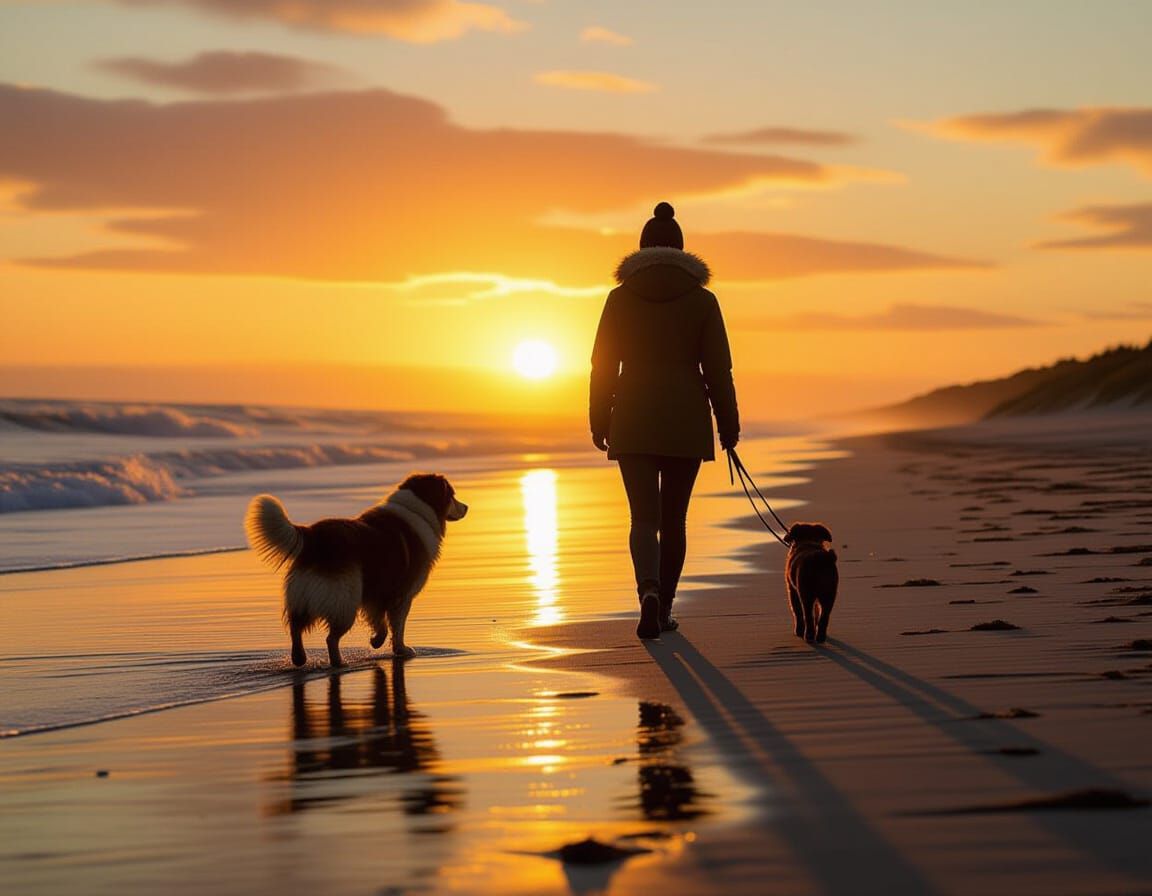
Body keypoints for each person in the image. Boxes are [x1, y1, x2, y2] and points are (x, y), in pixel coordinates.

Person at [590, 202, 739, 640]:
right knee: (674, 520)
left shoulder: (619, 299)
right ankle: (666, 605)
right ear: (680, 250)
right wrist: (728, 426)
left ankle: (648, 593)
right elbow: (718, 371)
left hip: (632, 417)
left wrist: (599, 419)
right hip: (685, 420)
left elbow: (602, 366)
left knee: (642, 519)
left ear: (641, 250)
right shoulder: (703, 300)